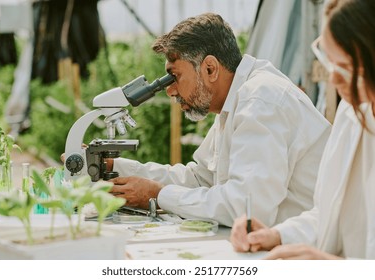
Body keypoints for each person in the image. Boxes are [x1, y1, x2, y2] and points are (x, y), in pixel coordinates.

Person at [109, 13, 331, 227]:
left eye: (174, 77)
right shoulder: (236, 101)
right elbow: (201, 179)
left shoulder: (260, 100)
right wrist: (117, 167)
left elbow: (246, 208)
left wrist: (159, 195)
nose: (170, 91)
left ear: (210, 68)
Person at [230, 0, 375, 259]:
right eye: (327, 60)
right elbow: (329, 212)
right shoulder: (351, 112)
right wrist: (278, 235)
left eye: (345, 67)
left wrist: (333, 266)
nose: (333, 78)